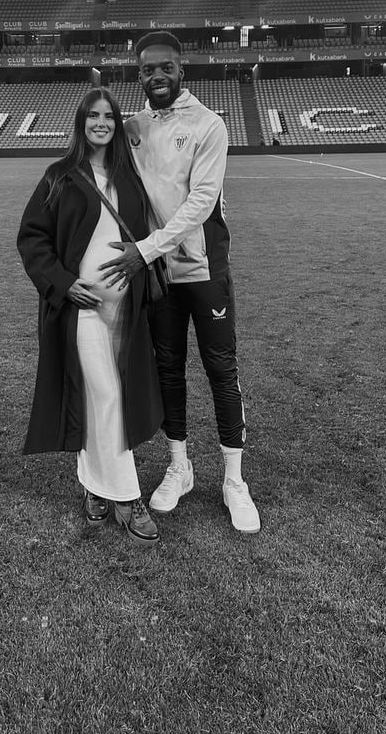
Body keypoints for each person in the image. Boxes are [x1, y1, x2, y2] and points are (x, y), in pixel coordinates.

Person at [100, 31, 261, 534]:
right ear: (139, 76)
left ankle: (234, 480)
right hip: (158, 275)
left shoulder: (209, 125)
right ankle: (180, 467)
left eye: (165, 68)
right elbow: (96, 151)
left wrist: (144, 250)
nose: (156, 77)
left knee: (220, 368)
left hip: (203, 268)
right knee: (168, 368)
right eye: (147, 70)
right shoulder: (134, 128)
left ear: (181, 70)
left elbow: (201, 203)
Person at [17, 87, 163, 545]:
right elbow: (32, 238)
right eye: (93, 115)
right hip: (81, 310)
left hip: (127, 310)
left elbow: (147, 234)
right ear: (81, 122)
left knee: (107, 396)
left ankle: (92, 486)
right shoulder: (59, 175)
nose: (101, 122)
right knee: (107, 395)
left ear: (118, 124)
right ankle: (127, 497)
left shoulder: (130, 175)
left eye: (109, 116)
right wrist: (63, 283)